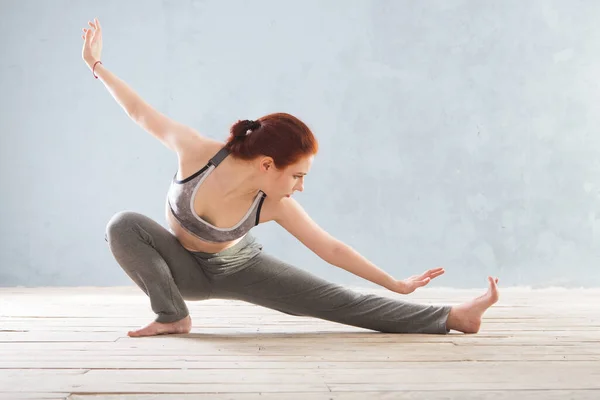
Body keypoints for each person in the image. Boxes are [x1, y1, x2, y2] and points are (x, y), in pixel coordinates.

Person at [82, 18, 499, 337]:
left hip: (241, 269)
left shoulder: (275, 204)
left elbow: (332, 250)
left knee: (340, 302)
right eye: (297, 175)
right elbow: (138, 111)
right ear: (267, 164)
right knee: (123, 225)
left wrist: (397, 283)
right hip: (180, 270)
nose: (301, 186)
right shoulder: (198, 154)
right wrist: (96, 64)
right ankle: (172, 315)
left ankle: (454, 317)